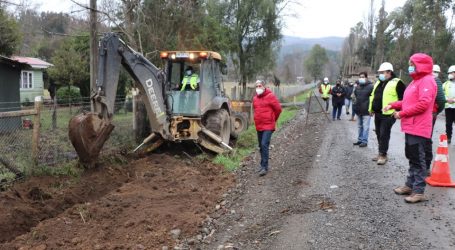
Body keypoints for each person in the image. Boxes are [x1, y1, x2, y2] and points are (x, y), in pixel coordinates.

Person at [384, 53, 437, 203]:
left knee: (418, 159)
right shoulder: (416, 82)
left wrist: (401, 113)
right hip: (411, 126)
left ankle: (418, 191)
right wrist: (393, 105)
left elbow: (423, 104)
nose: (410, 66)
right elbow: (407, 101)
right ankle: (409, 185)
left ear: (420, 65)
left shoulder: (427, 81)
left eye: (412, 64)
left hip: (419, 126)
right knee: (412, 156)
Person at [369, 62, 406, 165]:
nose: (380, 74)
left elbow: (403, 98)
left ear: (389, 72)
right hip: (378, 113)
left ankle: (383, 154)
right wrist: (371, 108)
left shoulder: (397, 82)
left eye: (382, 72)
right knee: (378, 133)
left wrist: (398, 111)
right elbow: (373, 95)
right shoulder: (379, 82)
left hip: (389, 114)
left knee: (384, 134)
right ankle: (381, 152)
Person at [253, 80, 282, 176]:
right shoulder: (255, 99)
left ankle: (265, 167)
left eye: (259, 86)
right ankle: (262, 165)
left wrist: (274, 120)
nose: (258, 88)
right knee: (261, 146)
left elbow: (278, 109)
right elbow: (255, 111)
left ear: (264, 86)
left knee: (264, 144)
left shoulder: (270, 96)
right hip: (259, 125)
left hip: (268, 125)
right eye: (256, 86)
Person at [425, 65, 446, 174]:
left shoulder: (435, 80)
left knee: (426, 139)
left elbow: (442, 100)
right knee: (424, 139)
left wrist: (436, 111)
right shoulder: (425, 79)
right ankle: (423, 166)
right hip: (426, 114)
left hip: (429, 114)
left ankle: (426, 166)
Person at [353, 72, 373, 147]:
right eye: (360, 77)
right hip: (359, 110)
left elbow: (373, 98)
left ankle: (364, 141)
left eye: (363, 77)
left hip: (367, 111)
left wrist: (372, 109)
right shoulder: (357, 87)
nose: (361, 78)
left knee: (366, 127)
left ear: (366, 77)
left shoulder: (371, 87)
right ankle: (360, 140)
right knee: (359, 126)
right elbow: (355, 96)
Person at [443, 65, 455, 144]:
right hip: (448, 107)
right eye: (449, 73)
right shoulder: (445, 84)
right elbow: (441, 93)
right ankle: (448, 138)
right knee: (448, 124)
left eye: (451, 73)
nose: (450, 74)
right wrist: (447, 99)